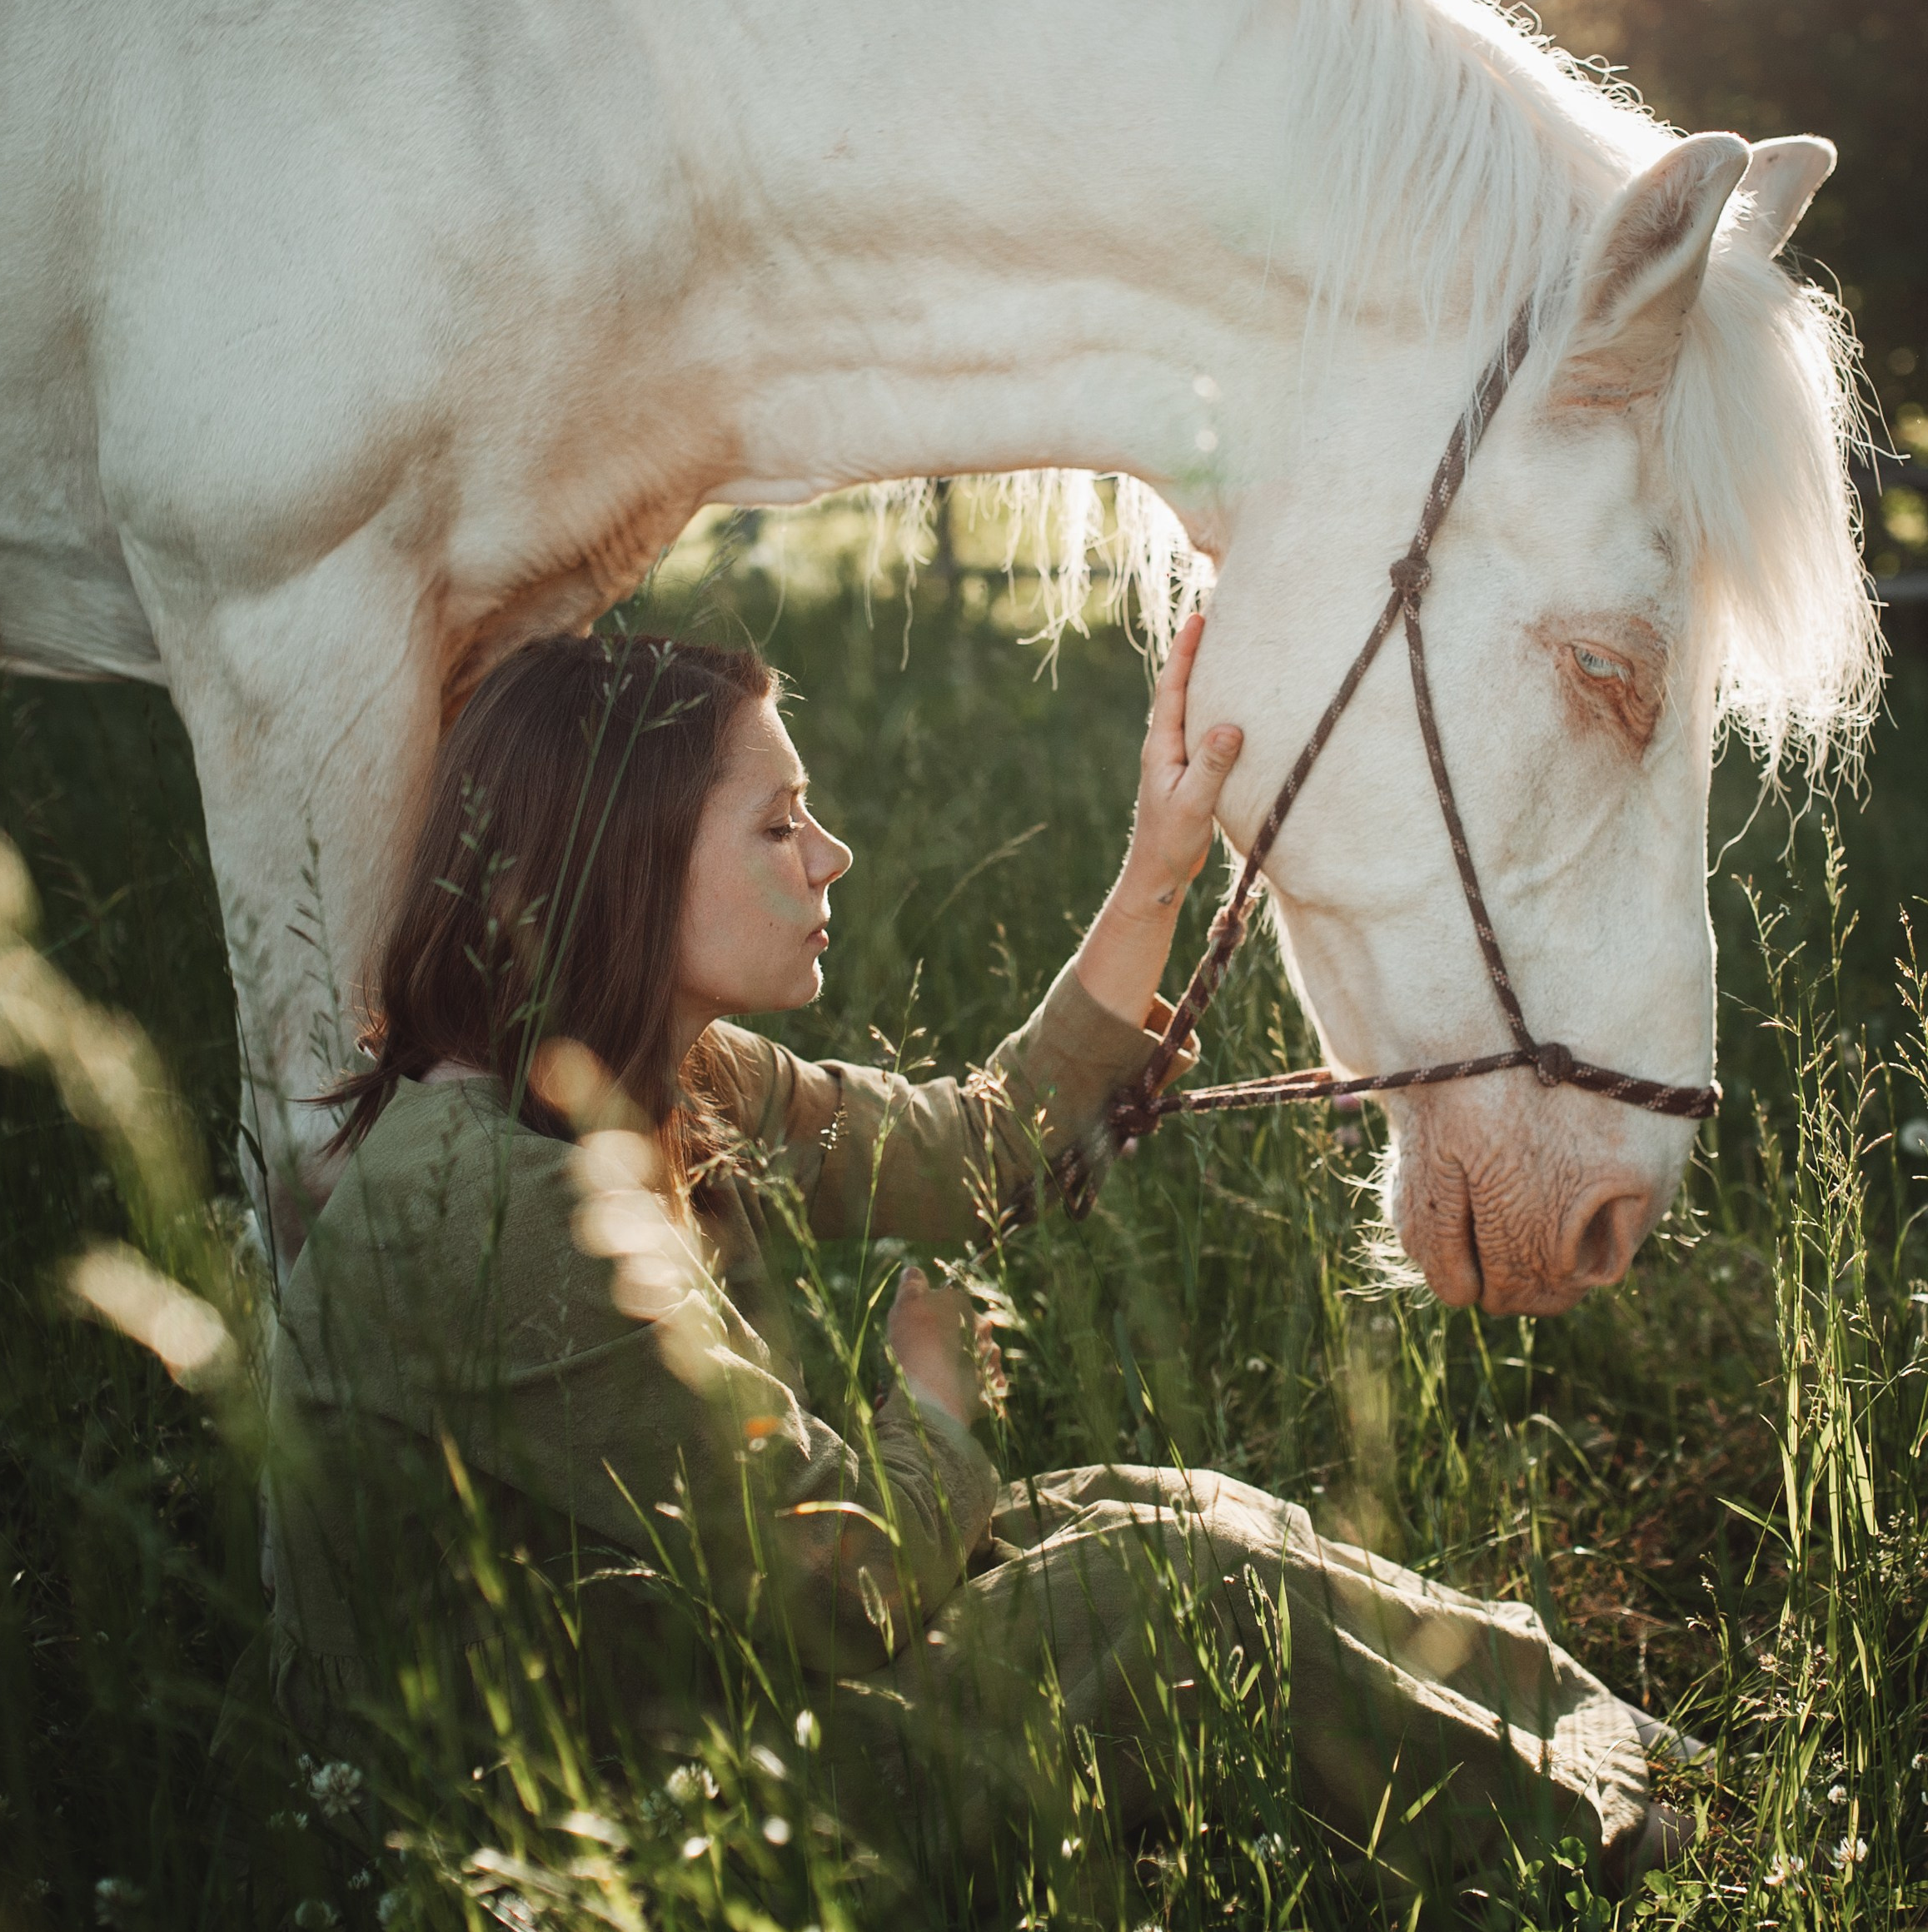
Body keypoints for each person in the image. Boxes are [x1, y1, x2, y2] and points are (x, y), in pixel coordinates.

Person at [261, 623, 1676, 1897]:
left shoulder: (676, 1079)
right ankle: (1612, 1857)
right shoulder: (491, 1204)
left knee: (1162, 1504)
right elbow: (833, 1590)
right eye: (777, 825)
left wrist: (1159, 866)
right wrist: (927, 1407)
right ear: (625, 861)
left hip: (704, 1695)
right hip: (597, 1835)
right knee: (1175, 1592)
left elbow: (986, 1151)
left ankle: (1625, 1757)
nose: (830, 857)